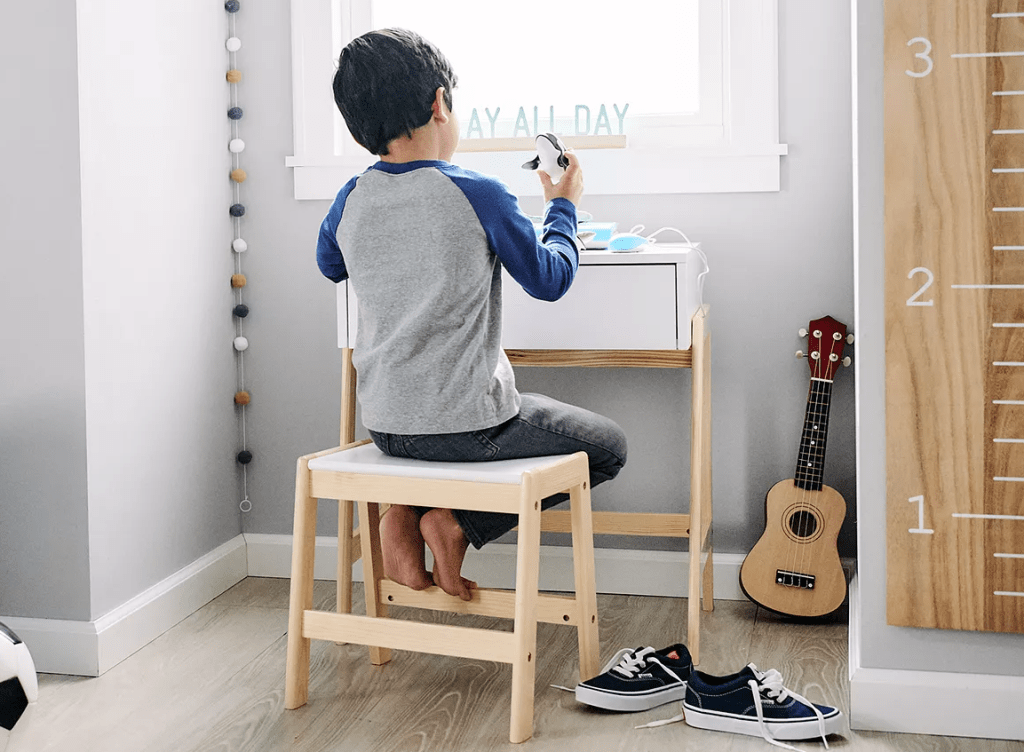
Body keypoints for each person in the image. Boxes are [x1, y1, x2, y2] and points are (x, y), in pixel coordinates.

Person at [317, 28, 627, 602]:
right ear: (440, 104)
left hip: (386, 429)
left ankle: (401, 511)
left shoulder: (349, 197)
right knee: (609, 447)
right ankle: (457, 522)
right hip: (468, 429)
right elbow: (551, 279)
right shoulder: (478, 193)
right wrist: (563, 206)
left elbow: (329, 263)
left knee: (440, 428)